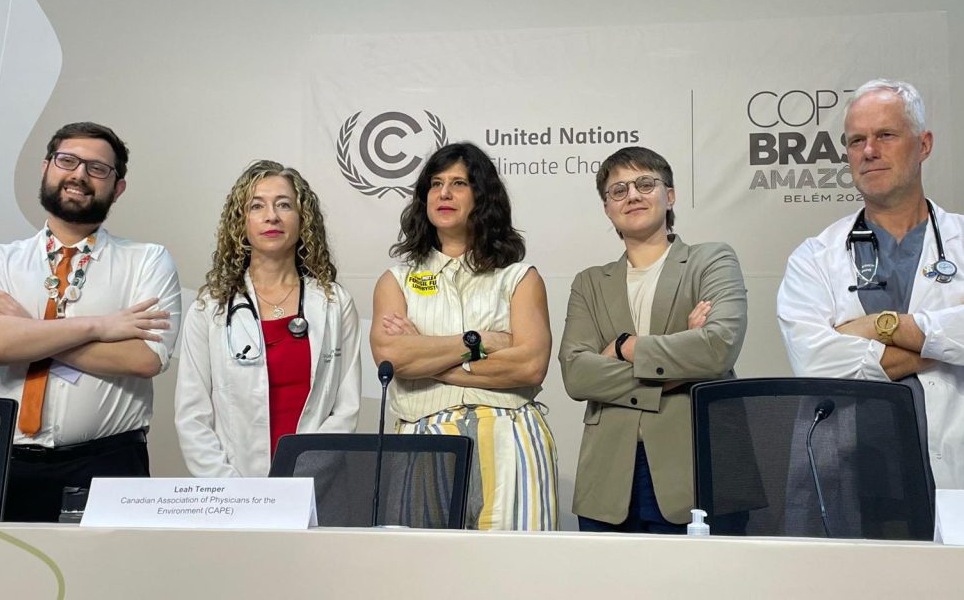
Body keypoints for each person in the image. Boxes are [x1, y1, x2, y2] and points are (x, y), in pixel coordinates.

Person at [0, 122, 181, 522]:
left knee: (109, 567)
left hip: (108, 461)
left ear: (118, 187)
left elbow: (144, 359)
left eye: (97, 168)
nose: (79, 174)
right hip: (2, 462)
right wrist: (99, 327)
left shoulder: (147, 260)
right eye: (68, 161)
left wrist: (26, 328)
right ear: (46, 167)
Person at [778, 79, 964, 491]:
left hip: (958, 466)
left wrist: (878, 326)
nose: (869, 151)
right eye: (856, 140)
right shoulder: (814, 258)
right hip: (851, 474)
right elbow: (816, 365)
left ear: (923, 145)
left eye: (885, 135)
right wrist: (948, 346)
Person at [558, 146, 748, 533]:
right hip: (607, 477)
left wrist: (623, 347)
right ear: (607, 208)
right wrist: (682, 361)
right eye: (618, 190)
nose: (632, 195)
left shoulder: (711, 260)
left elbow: (717, 348)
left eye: (645, 184)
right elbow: (577, 375)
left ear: (670, 195)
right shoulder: (589, 283)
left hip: (696, 468)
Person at [370, 142, 559, 530]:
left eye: (458, 183)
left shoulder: (519, 278)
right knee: (422, 565)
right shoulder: (396, 280)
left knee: (515, 564)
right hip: (423, 434)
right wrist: (481, 341)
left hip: (510, 434)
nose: (444, 193)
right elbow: (392, 358)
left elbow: (529, 365)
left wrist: (426, 360)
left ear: (482, 196)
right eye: (436, 184)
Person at [175, 160, 361, 477]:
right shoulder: (210, 308)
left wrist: (302, 476)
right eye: (256, 206)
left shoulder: (334, 303)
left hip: (314, 481)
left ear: (303, 219)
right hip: (232, 486)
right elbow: (192, 415)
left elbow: (347, 407)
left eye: (284, 205)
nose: (271, 216)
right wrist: (230, 489)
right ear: (241, 222)